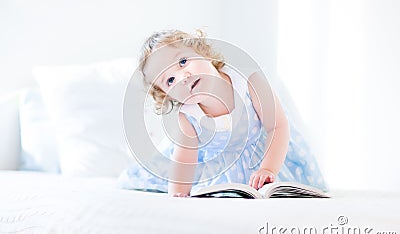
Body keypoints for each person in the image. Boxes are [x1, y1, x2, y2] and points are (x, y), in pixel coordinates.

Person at [118, 29, 327, 197]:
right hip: (219, 166)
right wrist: (179, 193)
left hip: (268, 155)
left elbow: (277, 127)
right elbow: (185, 161)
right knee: (163, 174)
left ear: (203, 52)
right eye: (170, 80)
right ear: (168, 96)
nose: (182, 77)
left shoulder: (249, 82)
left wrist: (269, 169)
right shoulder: (188, 115)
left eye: (183, 62)